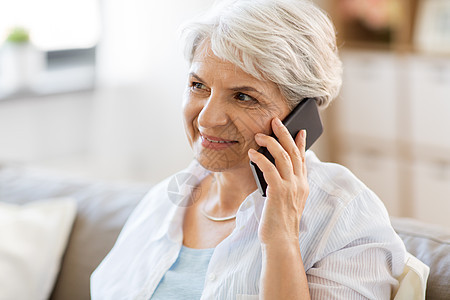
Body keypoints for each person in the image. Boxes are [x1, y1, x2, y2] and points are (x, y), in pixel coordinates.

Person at [91, 0, 408, 298]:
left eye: (243, 96)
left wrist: (281, 235)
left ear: (302, 113)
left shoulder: (343, 216)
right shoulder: (164, 201)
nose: (208, 119)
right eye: (198, 86)